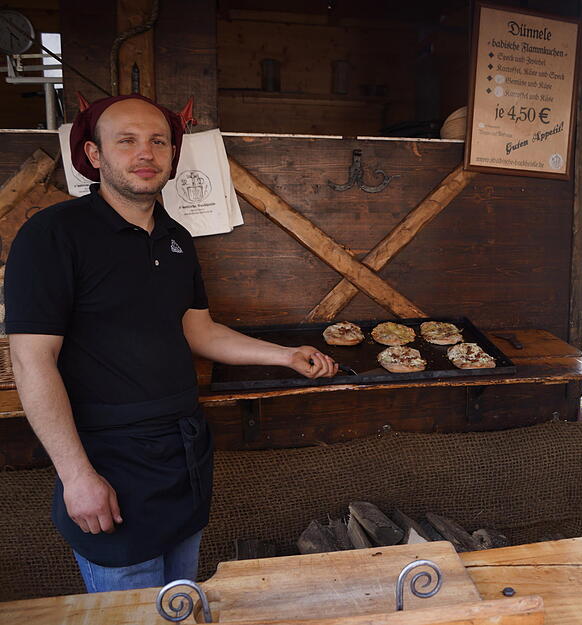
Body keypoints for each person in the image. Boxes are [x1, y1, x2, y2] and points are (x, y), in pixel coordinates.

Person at [4, 94, 339, 593]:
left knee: (179, 600)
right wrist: (76, 476)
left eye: (159, 141)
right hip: (108, 458)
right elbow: (32, 360)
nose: (146, 152)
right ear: (94, 154)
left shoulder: (176, 237)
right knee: (132, 613)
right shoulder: (52, 235)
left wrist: (286, 356)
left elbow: (200, 331)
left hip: (183, 451)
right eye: (127, 141)